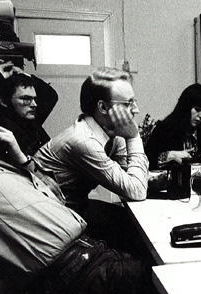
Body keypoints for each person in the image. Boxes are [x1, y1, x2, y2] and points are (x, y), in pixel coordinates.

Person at [0, 76, 146, 294]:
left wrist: (22, 160)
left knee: (154, 263)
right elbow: (135, 189)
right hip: (69, 272)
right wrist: (133, 137)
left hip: (83, 254)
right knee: (167, 284)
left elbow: (54, 196)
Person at [33, 67, 148, 218]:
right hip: (49, 215)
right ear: (102, 107)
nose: (136, 110)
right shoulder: (83, 140)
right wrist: (133, 138)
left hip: (72, 207)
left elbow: (132, 177)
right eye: (128, 103)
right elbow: (137, 190)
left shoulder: (110, 132)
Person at [0, 61, 58, 156]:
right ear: (4, 102)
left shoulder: (30, 121)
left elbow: (50, 96)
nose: (34, 104)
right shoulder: (1, 123)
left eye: (35, 99)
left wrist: (24, 75)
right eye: (26, 99)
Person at [145, 83, 201, 169]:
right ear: (186, 107)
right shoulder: (165, 128)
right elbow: (145, 161)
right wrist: (169, 155)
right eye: (197, 110)